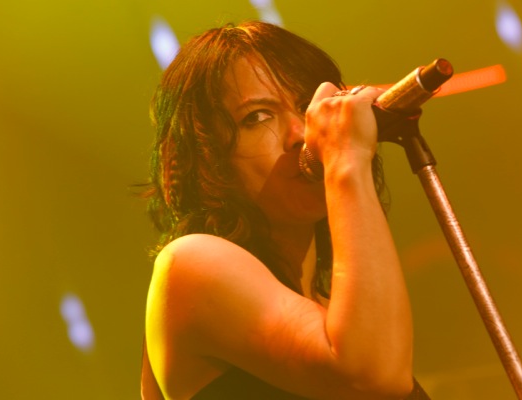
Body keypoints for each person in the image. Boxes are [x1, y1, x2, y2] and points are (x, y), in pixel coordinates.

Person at [141, 20, 430, 399]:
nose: (302, 133)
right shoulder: (191, 263)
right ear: (208, 160)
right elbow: (370, 376)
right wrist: (347, 157)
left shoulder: (340, 316)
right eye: (257, 116)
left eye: (307, 107)